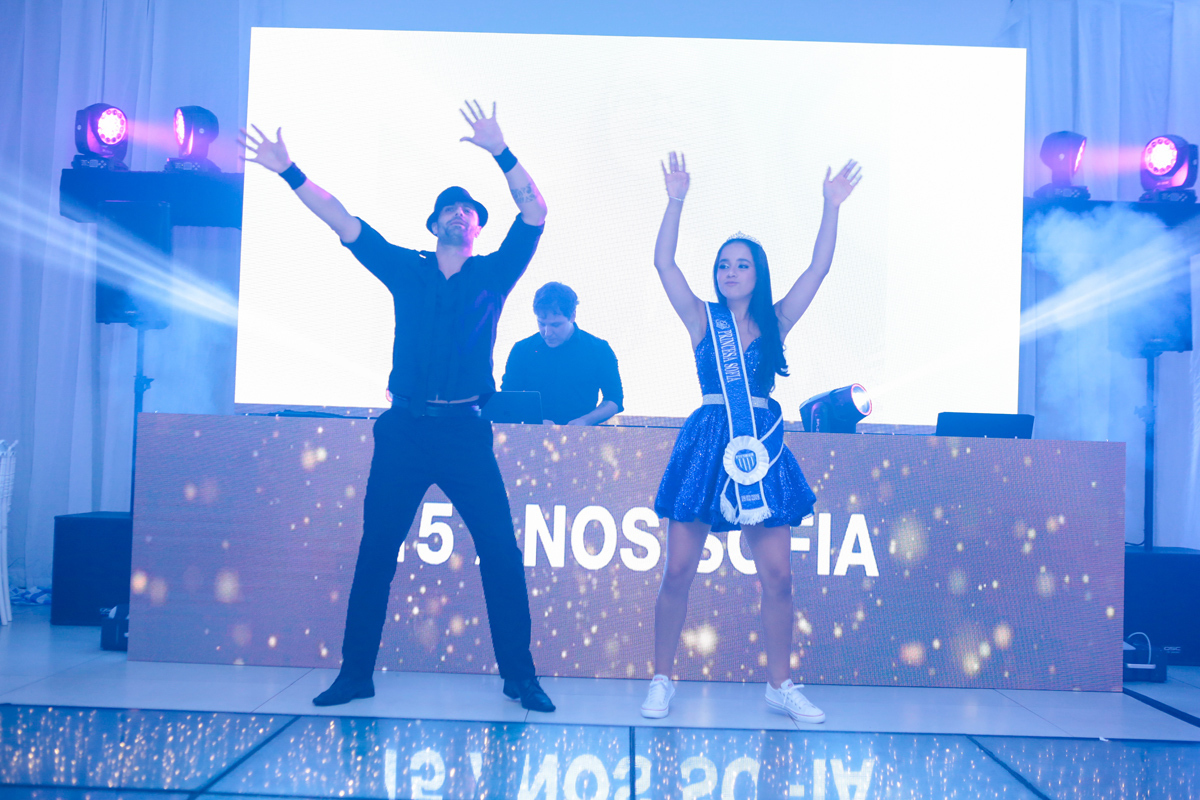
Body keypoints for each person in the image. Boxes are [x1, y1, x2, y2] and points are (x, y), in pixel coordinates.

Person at [238, 100, 556, 712]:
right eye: (449, 208)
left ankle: (520, 676)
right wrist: (288, 170)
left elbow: (536, 211)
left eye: (469, 210)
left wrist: (500, 149)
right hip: (405, 428)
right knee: (377, 551)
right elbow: (342, 220)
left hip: (465, 430)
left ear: (478, 227)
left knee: (500, 551)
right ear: (433, 222)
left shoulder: (494, 273)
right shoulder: (406, 269)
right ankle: (355, 673)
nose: (459, 214)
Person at [642, 151, 861, 723]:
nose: (731, 272)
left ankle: (780, 684)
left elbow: (819, 269)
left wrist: (831, 207)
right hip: (707, 443)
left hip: (759, 448)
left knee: (779, 577)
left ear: (757, 274)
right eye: (723, 265)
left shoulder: (777, 321)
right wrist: (675, 199)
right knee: (677, 571)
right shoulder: (701, 319)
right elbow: (664, 263)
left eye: (741, 264)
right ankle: (661, 678)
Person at [501, 282, 624, 425]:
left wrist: (585, 421)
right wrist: (535, 420)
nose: (547, 333)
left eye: (556, 325)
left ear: (572, 316)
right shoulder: (522, 350)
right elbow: (507, 399)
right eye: (542, 323)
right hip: (532, 434)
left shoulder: (599, 349)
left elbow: (614, 399)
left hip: (582, 434)